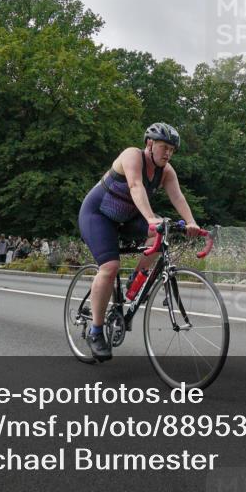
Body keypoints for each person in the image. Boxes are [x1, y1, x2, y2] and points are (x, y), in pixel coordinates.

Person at [78, 122, 201, 362]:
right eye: (164, 147)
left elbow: (178, 196)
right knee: (110, 267)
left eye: (172, 150)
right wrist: (150, 218)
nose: (168, 153)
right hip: (98, 214)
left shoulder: (166, 171)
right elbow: (135, 186)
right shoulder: (131, 155)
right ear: (149, 144)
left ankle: (137, 280)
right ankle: (95, 331)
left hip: (126, 218)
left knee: (159, 233)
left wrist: (191, 222)